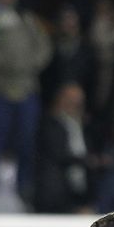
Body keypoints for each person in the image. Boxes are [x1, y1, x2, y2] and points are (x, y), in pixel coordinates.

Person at [0, 0, 51, 194]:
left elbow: (44, 46)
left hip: (27, 89)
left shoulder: (26, 18)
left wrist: (32, 63)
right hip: (0, 90)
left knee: (26, 142)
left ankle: (23, 190)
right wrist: (6, 63)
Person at [33, 82, 91, 214]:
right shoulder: (49, 123)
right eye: (70, 99)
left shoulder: (83, 125)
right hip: (55, 190)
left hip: (80, 188)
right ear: (60, 99)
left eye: (78, 101)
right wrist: (88, 161)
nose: (74, 104)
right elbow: (57, 153)